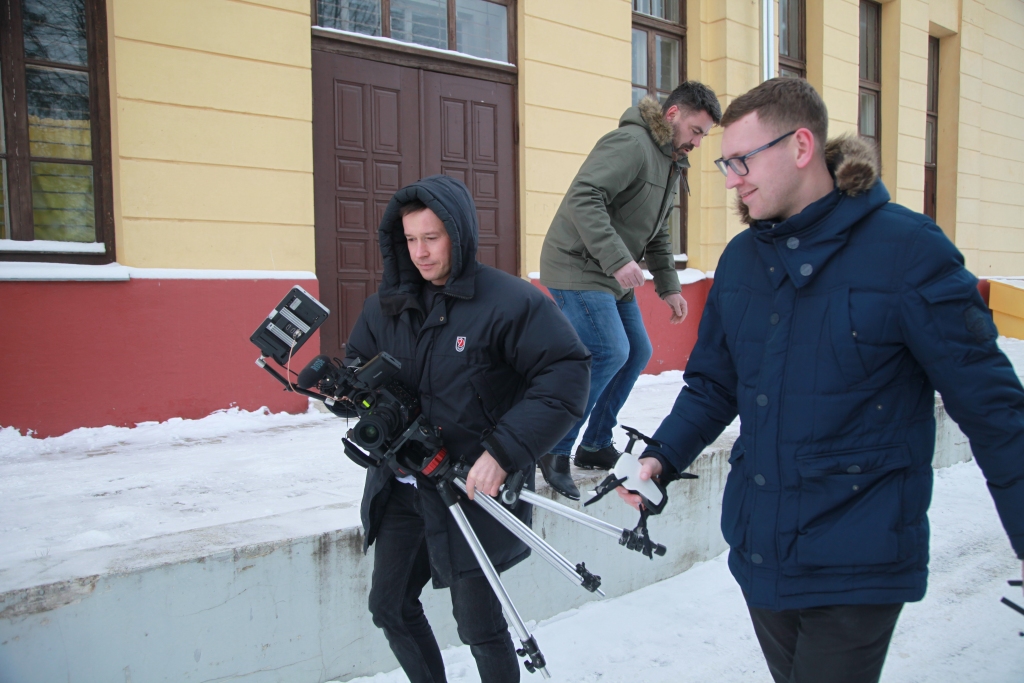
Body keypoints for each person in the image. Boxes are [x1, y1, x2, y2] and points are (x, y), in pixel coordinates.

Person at [618, 78, 1024, 683]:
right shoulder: (741, 261)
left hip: (859, 556)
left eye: (741, 160)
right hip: (762, 551)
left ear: (801, 146)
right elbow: (712, 385)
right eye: (725, 162)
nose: (730, 178)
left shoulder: (908, 251)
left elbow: (992, 407)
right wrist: (661, 457)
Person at [346, 174, 590, 683]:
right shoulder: (384, 307)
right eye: (410, 239)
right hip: (403, 486)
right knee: (388, 605)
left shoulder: (509, 302)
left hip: (471, 489)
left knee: (479, 626)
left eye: (431, 237)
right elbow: (358, 375)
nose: (420, 252)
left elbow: (566, 375)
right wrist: (341, 393)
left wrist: (503, 451)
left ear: (458, 233)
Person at [538, 81, 723, 500]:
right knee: (608, 352)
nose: (698, 142)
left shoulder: (671, 161)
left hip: (609, 270)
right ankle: (554, 446)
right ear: (673, 114)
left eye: (704, 136)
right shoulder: (632, 144)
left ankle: (595, 443)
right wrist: (618, 258)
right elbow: (584, 196)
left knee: (636, 351)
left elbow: (658, 233)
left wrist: (670, 287)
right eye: (696, 130)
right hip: (577, 263)